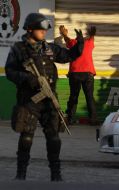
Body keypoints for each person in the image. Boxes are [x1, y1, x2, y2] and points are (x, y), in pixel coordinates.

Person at [5, 13, 84, 181]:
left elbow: (68, 56)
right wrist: (27, 78)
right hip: (29, 101)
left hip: (49, 101)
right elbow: (10, 71)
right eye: (40, 30)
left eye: (45, 30)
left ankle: (56, 175)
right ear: (30, 29)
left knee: (54, 138)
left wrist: (79, 45)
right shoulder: (19, 48)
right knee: (26, 138)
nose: (44, 33)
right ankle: (21, 174)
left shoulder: (49, 48)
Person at [59, 25, 97, 125]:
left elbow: (68, 39)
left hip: (74, 74)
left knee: (73, 96)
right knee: (89, 97)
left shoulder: (73, 43)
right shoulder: (89, 42)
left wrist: (64, 34)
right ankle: (93, 119)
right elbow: (92, 36)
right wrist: (91, 32)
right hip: (88, 74)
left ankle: (70, 119)